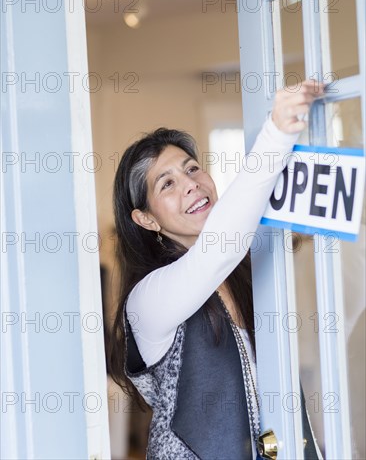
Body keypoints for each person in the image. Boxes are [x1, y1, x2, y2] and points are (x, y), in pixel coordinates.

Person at [109, 81, 325, 460]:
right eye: (168, 184)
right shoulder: (148, 299)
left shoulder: (244, 272)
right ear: (145, 219)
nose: (191, 184)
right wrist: (276, 131)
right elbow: (218, 249)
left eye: (192, 168)